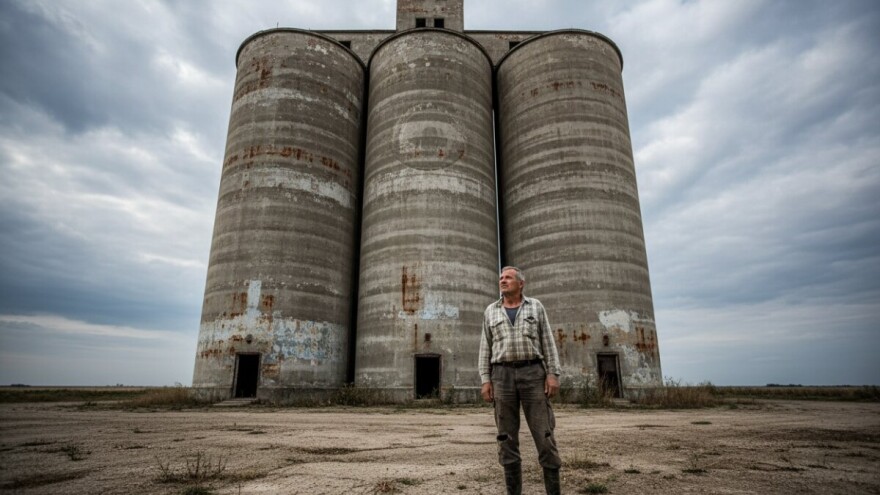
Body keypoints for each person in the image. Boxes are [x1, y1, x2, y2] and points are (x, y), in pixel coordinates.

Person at [479, 266, 562, 495]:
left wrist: (553, 373)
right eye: (501, 278)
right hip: (501, 375)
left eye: (508, 278)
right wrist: (486, 379)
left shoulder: (535, 306)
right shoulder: (491, 311)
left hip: (532, 373)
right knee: (506, 437)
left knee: (544, 434)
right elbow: (485, 347)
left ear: (521, 283)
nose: (502, 281)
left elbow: (548, 341)